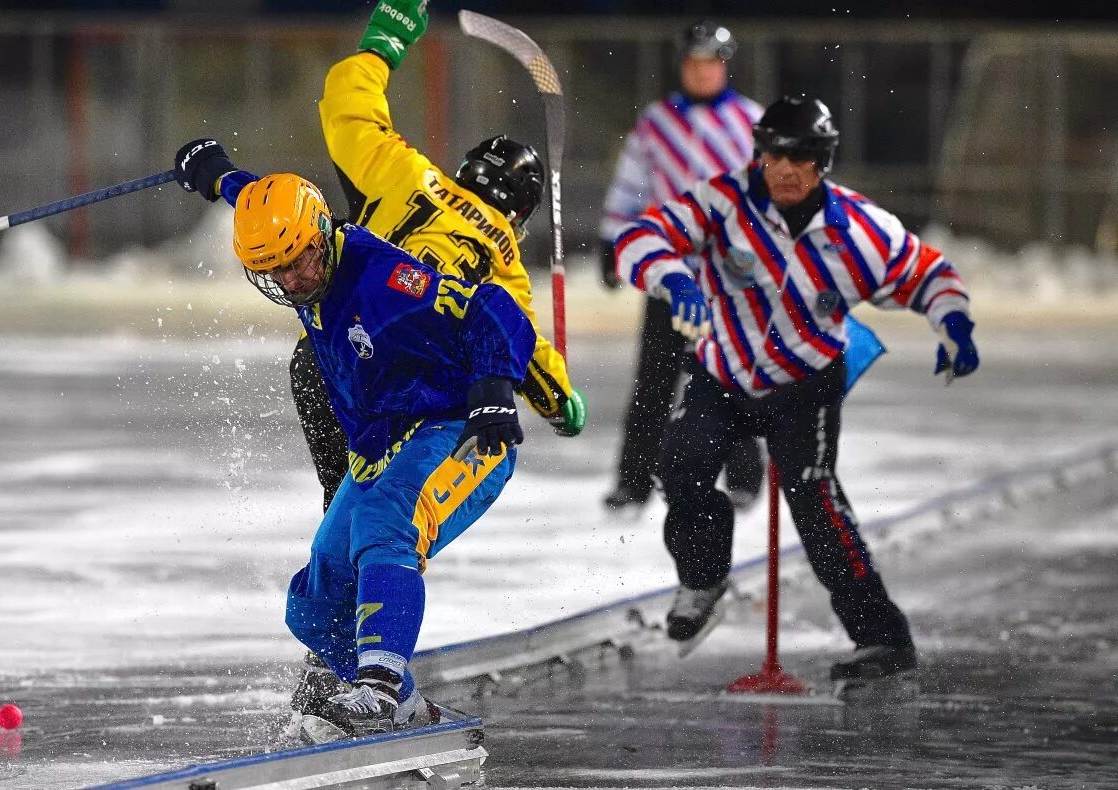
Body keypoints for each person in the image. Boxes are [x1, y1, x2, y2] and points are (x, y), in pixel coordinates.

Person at [173, 139, 536, 738]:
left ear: (321, 234)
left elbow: (492, 306)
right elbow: (261, 202)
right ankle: (412, 712)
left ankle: (379, 690)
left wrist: (496, 387)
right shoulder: (298, 245)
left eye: (299, 262)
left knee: (386, 523)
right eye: (275, 272)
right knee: (314, 603)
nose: (292, 281)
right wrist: (218, 177)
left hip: (458, 432)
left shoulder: (386, 281)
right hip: (383, 445)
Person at [613, 95, 980, 681]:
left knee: (816, 503)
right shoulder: (722, 202)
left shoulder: (860, 229)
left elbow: (927, 272)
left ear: (824, 161)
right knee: (680, 467)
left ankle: (883, 640)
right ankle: (704, 577)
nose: (785, 168)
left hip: (806, 382)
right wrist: (673, 276)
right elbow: (640, 238)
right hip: (723, 372)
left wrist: (953, 321)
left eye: (802, 157)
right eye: (774, 154)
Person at [287, 0, 583, 512]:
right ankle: (374, 539)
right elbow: (520, 344)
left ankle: (342, 516)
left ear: (465, 171)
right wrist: (560, 400)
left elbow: (345, 103)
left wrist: (384, 43)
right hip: (417, 395)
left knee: (315, 367)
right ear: (522, 209)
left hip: (338, 355)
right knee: (394, 503)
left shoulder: (406, 174)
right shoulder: (502, 250)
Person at [598, 19, 764, 513]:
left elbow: (768, 193)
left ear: (724, 66)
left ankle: (745, 475)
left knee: (730, 375)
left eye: (710, 63)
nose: (701, 72)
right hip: (668, 269)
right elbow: (631, 184)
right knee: (654, 380)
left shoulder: (752, 122)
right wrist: (613, 240)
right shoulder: (656, 123)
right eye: (693, 63)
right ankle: (633, 481)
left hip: (729, 273)